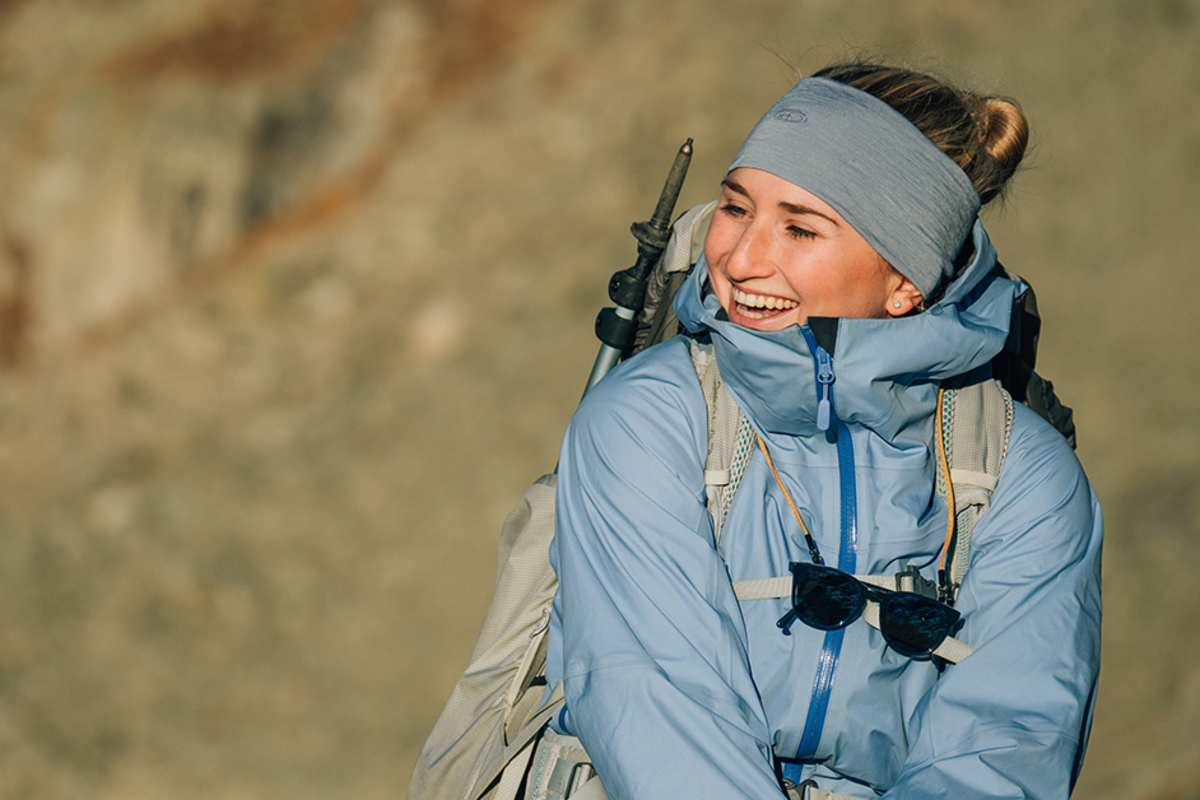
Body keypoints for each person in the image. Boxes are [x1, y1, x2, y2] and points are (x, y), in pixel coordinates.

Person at [543, 63, 1102, 799]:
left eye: (800, 228)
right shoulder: (647, 419)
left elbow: (1006, 751)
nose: (740, 260)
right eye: (737, 209)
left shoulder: (1020, 476)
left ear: (908, 279)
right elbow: (655, 708)